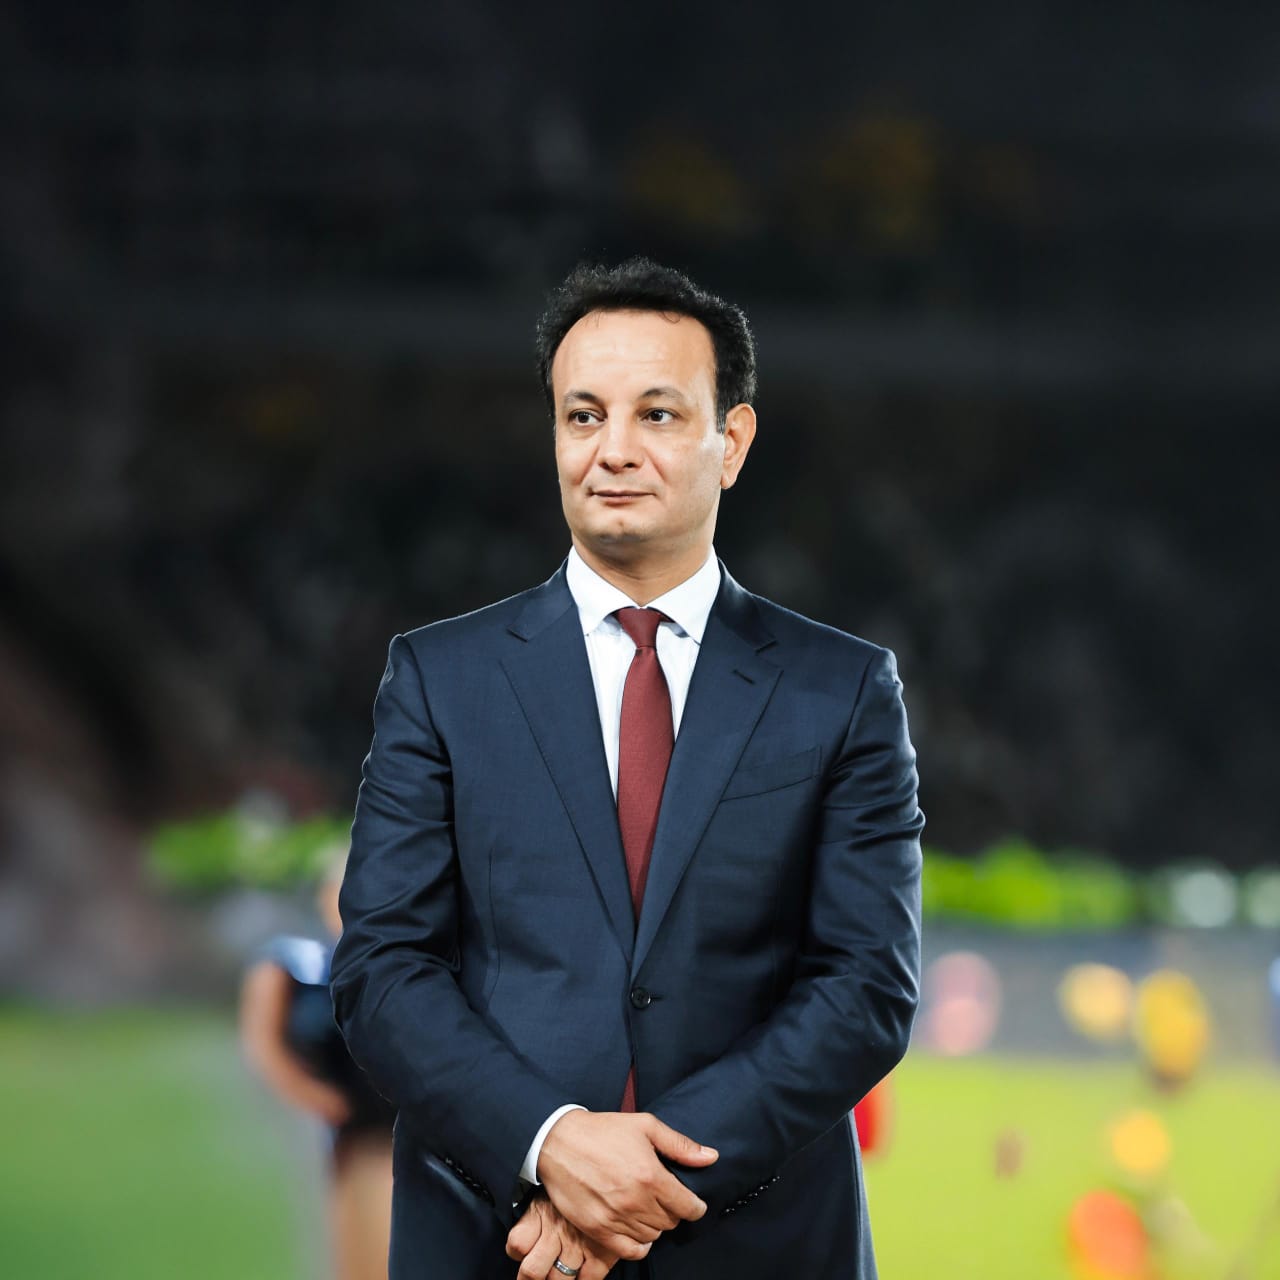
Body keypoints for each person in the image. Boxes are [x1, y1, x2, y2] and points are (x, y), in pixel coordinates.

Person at [330, 258, 924, 1279]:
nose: (612, 450)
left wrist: (632, 1178)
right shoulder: (439, 678)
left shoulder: (841, 688)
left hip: (760, 1243)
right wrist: (550, 1143)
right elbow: (382, 970)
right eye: (582, 415)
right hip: (495, 1238)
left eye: (656, 414)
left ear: (730, 441)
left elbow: (865, 984)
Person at [240, 851, 396, 1280]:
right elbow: (262, 1044)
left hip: (388, 1129)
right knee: (345, 1230)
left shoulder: (394, 958)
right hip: (332, 1122)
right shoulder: (294, 963)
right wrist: (314, 1097)